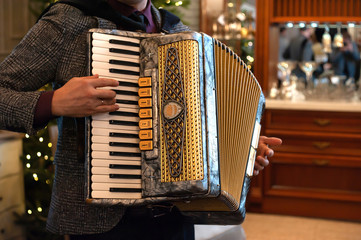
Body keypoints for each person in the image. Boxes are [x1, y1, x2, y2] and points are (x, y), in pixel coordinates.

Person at [0, 0, 282, 239]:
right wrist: (55, 102)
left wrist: (239, 152)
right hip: (98, 224)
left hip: (175, 218)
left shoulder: (180, 34)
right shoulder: (68, 21)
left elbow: (199, 126)